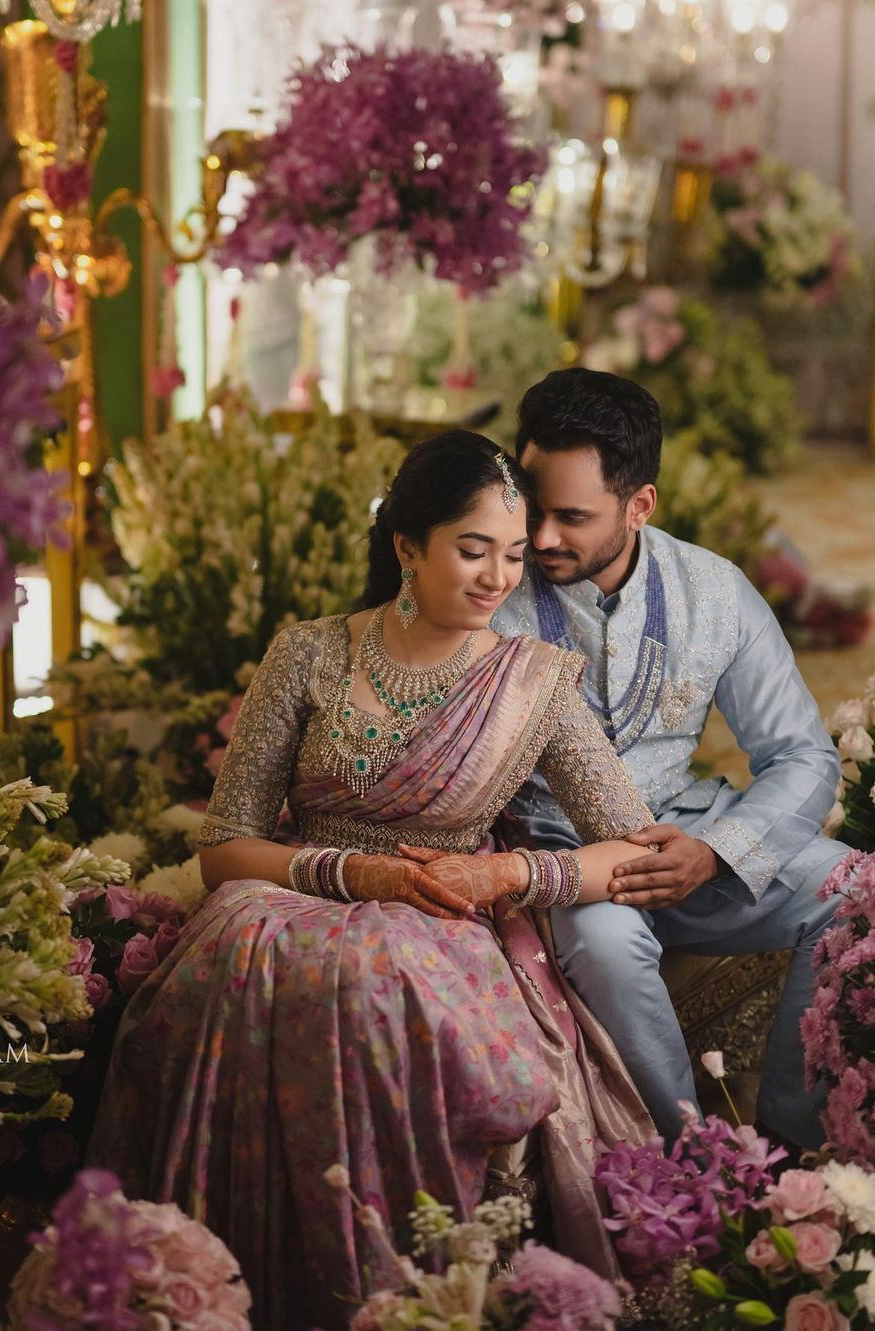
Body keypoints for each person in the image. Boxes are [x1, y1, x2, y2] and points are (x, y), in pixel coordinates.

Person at [89, 429, 656, 1331]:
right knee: (254, 942)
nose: (497, 578)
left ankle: (401, 1292)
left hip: (440, 922)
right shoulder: (308, 653)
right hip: (286, 897)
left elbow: (634, 848)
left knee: (371, 977)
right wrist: (358, 872)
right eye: (472, 550)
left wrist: (506, 868)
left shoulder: (533, 680)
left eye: (513, 555)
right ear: (405, 545)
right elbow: (226, 844)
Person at [494, 366, 847, 1153]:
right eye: (534, 507)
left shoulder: (713, 591)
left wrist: (717, 851)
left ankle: (793, 1151)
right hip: (565, 859)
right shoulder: (491, 582)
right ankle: (694, 1161)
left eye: (573, 516)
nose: (543, 536)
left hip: (691, 838)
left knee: (853, 889)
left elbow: (801, 754)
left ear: (639, 504)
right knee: (610, 947)